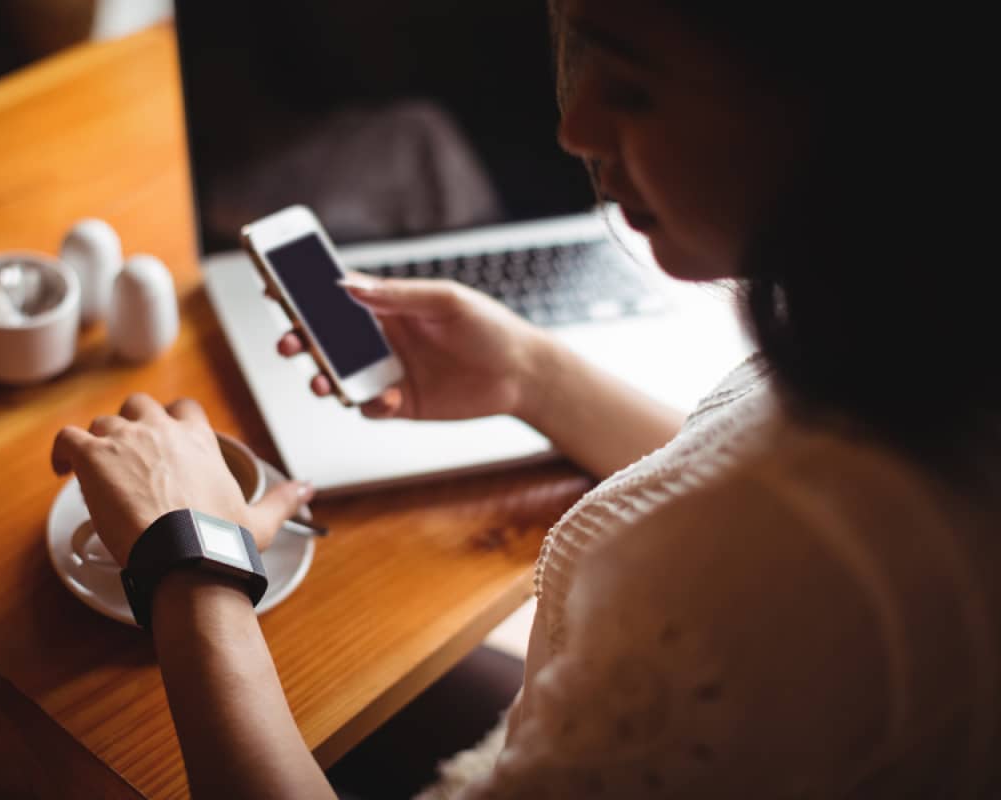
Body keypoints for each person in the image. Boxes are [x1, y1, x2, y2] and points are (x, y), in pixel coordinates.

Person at [50, 1, 999, 797]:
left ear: (853, 108)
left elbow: (766, 540)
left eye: (632, 83)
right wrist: (529, 379)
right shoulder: (927, 340)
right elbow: (752, 467)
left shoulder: (770, 581)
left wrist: (189, 565)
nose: (573, 128)